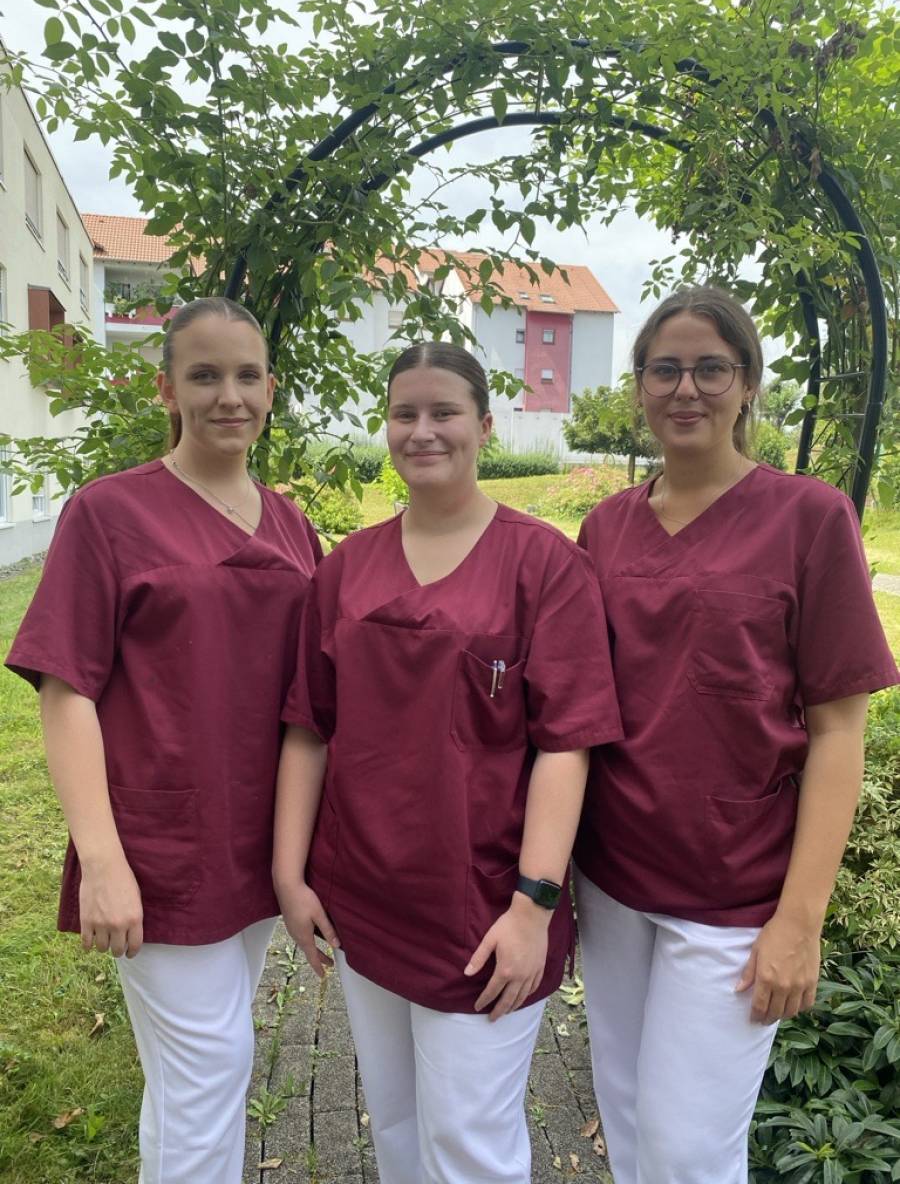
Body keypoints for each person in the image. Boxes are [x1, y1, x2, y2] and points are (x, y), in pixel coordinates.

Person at [273, 341, 622, 1184]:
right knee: (396, 1127)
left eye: (444, 413)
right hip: (363, 901)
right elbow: (309, 729)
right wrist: (290, 875)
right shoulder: (346, 568)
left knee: (468, 1146)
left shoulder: (544, 566)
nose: (422, 431)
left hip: (483, 912)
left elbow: (566, 745)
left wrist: (535, 906)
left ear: (485, 425)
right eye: (405, 414)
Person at [572, 285, 899, 1184]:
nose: (687, 389)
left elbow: (839, 732)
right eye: (665, 369)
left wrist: (800, 920)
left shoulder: (809, 518)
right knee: (631, 1121)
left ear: (748, 384)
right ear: (638, 385)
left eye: (711, 368)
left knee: (689, 1150)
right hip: (613, 875)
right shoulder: (604, 528)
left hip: (734, 889)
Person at [5, 297, 323, 1184]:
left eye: (248, 375)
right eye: (205, 375)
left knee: (194, 1076)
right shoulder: (109, 514)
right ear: (168, 390)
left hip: (258, 842)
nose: (231, 395)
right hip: (161, 845)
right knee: (209, 1071)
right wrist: (100, 859)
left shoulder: (292, 524)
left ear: (270, 389)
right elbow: (67, 690)